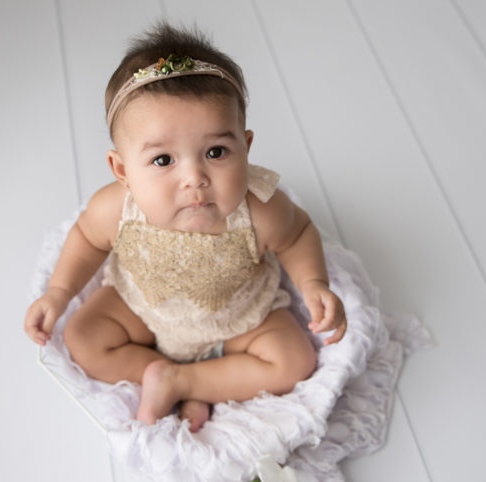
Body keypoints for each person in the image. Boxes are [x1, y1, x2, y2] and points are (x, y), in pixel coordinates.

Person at [24, 22, 347, 432]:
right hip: (141, 308)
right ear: (122, 170)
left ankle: (181, 381)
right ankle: (159, 370)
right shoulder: (116, 210)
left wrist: (314, 282)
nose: (194, 178)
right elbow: (86, 238)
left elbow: (299, 234)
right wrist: (59, 291)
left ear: (245, 149)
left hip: (240, 317)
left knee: (294, 360)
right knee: (82, 336)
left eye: (216, 152)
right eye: (163, 160)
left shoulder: (260, 210)